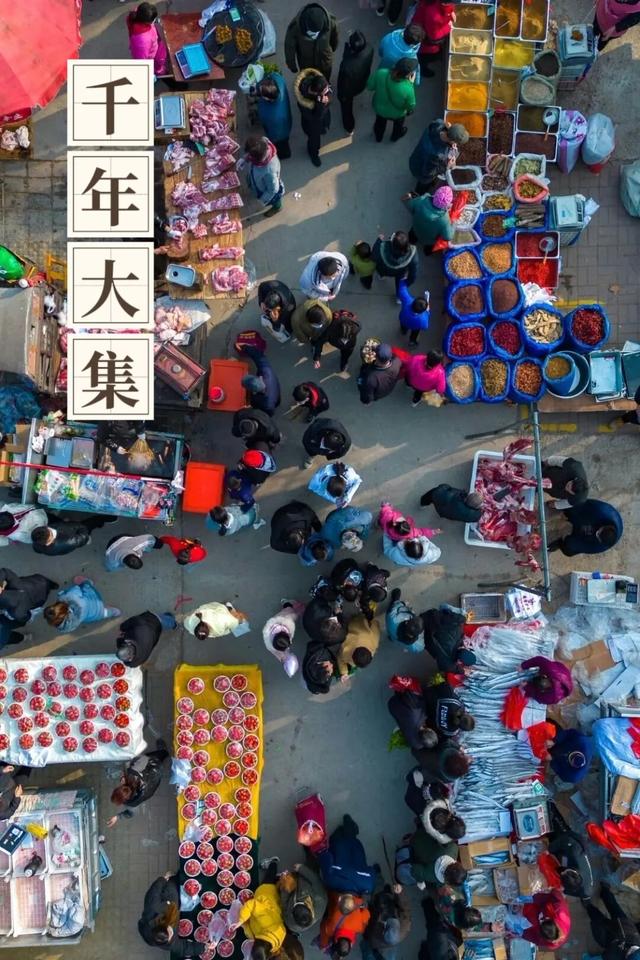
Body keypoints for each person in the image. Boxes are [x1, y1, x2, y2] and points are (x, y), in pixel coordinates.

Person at [138, 872, 209, 956]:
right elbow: (183, 948)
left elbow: (154, 892)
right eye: (171, 935)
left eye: (170, 931)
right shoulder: (166, 941)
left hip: (170, 893)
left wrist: (163, 879)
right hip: (175, 905)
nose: (172, 933)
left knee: (180, 878)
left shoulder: (152, 908)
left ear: (162, 924)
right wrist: (203, 948)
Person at [107, 741, 170, 827]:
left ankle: (163, 756)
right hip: (154, 766)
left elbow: (130, 814)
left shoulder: (132, 803)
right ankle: (164, 752)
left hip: (156, 779)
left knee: (158, 766)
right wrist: (127, 769)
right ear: (121, 786)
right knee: (156, 756)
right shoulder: (132, 773)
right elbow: (144, 759)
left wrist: (117, 817)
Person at [235, 861, 287, 958]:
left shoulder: (273, 946)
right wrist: (241, 919)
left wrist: (244, 925)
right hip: (266, 893)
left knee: (275, 883)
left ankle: (277, 878)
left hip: (268, 908)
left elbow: (252, 933)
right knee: (268, 878)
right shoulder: (266, 921)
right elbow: (253, 904)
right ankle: (273, 863)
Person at [318, 814, 376, 895]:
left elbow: (371, 870)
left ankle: (349, 827)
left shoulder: (368, 885)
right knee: (339, 840)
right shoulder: (331, 881)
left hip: (353, 845)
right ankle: (347, 828)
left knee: (346, 840)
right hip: (344, 845)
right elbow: (326, 857)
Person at [547, 802, 594, 898]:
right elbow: (565, 839)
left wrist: (563, 890)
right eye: (564, 872)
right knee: (553, 821)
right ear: (572, 870)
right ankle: (548, 803)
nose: (562, 872)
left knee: (552, 843)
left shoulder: (584, 891)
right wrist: (549, 850)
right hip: (570, 839)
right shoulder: (576, 854)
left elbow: (568, 890)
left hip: (566, 854)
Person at [583, 883, 640, 960]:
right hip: (626, 933)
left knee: (602, 916)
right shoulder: (613, 956)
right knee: (612, 910)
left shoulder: (612, 956)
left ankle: (592, 902)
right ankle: (601, 894)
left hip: (615, 936)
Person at [409, 119, 467, 194]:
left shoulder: (438, 124)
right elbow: (428, 173)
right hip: (421, 171)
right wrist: (447, 165)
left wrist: (449, 132)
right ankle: (417, 194)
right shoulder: (437, 154)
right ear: (452, 140)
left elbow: (441, 124)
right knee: (423, 184)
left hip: (416, 157)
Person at [547, 499, 623, 556]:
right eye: (598, 533)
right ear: (605, 527)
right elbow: (580, 502)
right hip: (587, 516)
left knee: (569, 550)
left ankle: (560, 543)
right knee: (573, 509)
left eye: (598, 536)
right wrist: (559, 505)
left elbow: (586, 547)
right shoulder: (601, 510)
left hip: (587, 534)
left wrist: (569, 543)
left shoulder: (602, 545)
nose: (596, 534)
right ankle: (566, 512)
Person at [367, 58, 417, 143]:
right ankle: (395, 137)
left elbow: (369, 86)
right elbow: (410, 106)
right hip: (397, 114)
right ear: (408, 75)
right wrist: (411, 84)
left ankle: (378, 137)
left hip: (379, 109)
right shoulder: (408, 88)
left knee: (379, 124)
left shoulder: (381, 73)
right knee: (398, 126)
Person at [44, 576, 120, 632]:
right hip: (95, 601)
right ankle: (88, 581)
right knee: (86, 586)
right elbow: (76, 589)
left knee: (104, 613)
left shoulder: (65, 627)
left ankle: (114, 612)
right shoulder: (70, 598)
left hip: (94, 615)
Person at [285, 3, 339, 81]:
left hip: (324, 59)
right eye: (312, 33)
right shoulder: (295, 27)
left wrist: (333, 48)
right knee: (308, 79)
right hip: (306, 62)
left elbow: (335, 36)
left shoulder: (330, 21)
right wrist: (292, 65)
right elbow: (289, 47)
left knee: (325, 77)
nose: (315, 35)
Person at [402, 823, 466, 886]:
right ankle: (409, 841)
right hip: (416, 848)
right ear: (448, 881)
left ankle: (414, 834)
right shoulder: (431, 876)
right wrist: (420, 881)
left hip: (425, 832)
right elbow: (415, 869)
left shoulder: (454, 848)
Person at [238, 135, 284, 218]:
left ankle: (278, 207)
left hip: (269, 189)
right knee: (254, 184)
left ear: (258, 159)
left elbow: (273, 190)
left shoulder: (270, 172)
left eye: (251, 157)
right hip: (258, 177)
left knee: (275, 199)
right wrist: (245, 159)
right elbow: (251, 153)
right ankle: (254, 187)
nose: (249, 157)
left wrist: (261, 202)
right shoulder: (262, 142)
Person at [337, 31, 374, 133]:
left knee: (346, 108)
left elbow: (343, 84)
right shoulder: (369, 48)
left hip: (349, 89)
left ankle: (349, 126)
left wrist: (341, 95)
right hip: (362, 81)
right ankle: (350, 127)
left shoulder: (347, 66)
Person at [294, 69, 332, 167]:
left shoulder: (317, 84)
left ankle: (324, 128)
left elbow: (329, 92)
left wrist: (325, 99)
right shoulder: (304, 102)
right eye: (325, 91)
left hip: (323, 118)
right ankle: (313, 154)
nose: (328, 90)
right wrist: (321, 104)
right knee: (314, 140)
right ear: (316, 93)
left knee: (322, 128)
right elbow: (315, 118)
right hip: (312, 125)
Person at [422, 605, 475, 673]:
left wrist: (464, 618)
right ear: (459, 661)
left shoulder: (458, 630)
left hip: (430, 617)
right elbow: (448, 668)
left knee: (447, 608)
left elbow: (454, 618)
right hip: (426, 636)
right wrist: (463, 671)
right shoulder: (448, 661)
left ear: (465, 648)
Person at [364, 883, 411, 959]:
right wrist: (400, 894)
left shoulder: (374, 936)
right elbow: (405, 909)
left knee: (377, 885)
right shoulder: (404, 927)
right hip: (390, 902)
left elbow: (368, 923)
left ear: (384, 930)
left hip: (378, 905)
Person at [278, 861, 327, 934]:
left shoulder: (290, 923)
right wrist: (302, 869)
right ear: (309, 908)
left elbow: (284, 904)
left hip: (295, 886)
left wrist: (285, 889)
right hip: (304, 880)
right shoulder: (321, 900)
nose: (297, 901)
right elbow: (315, 880)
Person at [411, 0, 457, 77]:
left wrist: (450, 11)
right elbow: (434, 36)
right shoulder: (434, 15)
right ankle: (422, 69)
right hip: (424, 38)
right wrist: (449, 26)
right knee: (426, 56)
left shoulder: (435, 5)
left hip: (424, 24)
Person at [319, 891, 371, 958]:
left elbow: (366, 912)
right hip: (339, 892)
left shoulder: (360, 928)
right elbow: (323, 924)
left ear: (351, 944)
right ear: (336, 941)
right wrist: (324, 944)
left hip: (357, 894)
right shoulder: (330, 929)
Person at [403, 186, 454, 254]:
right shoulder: (444, 219)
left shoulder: (422, 199)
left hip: (416, 228)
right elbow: (448, 237)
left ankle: (411, 241)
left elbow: (410, 206)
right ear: (447, 205)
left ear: (436, 194)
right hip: (429, 240)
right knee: (429, 248)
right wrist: (453, 223)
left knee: (412, 236)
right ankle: (427, 252)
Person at [256, 73, 293, 161]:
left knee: (282, 145)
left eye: (261, 94)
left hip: (280, 134)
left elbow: (276, 135)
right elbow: (272, 75)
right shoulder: (278, 80)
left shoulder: (276, 117)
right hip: (285, 122)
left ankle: (284, 155)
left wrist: (272, 139)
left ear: (268, 98)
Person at [263, 601, 304, 677]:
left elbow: (274, 652)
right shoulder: (289, 623)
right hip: (284, 616)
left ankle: (287, 603)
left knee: (288, 609)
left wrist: (282, 658)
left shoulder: (268, 640)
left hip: (284, 615)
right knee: (290, 611)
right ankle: (288, 604)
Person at [372, 232, 418, 300]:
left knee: (381, 271)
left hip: (384, 269)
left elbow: (374, 256)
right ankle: (399, 297)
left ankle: (381, 276)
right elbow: (413, 275)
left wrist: (378, 240)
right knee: (399, 284)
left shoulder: (382, 248)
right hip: (400, 272)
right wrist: (407, 282)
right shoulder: (412, 255)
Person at [126, 2, 168, 76]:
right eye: (153, 19)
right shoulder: (142, 41)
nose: (154, 21)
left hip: (154, 44)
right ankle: (159, 71)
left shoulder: (139, 13)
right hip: (151, 54)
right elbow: (141, 60)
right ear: (146, 21)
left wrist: (155, 21)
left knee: (160, 58)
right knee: (158, 64)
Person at [240, 345, 282, 416]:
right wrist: (245, 347)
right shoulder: (266, 371)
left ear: (254, 392)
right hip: (276, 389)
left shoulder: (266, 403)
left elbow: (269, 413)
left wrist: (248, 409)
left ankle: (277, 403)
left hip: (274, 400)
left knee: (275, 403)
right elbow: (258, 356)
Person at [336, 614, 380, 680]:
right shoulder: (345, 651)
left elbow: (375, 623)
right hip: (353, 623)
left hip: (357, 621)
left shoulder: (374, 641)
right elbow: (339, 658)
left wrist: (344, 672)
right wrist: (344, 673)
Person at [257, 280, 296, 344]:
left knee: (285, 328)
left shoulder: (288, 309)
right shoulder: (269, 285)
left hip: (288, 312)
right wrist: (261, 301)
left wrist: (275, 320)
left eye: (270, 309)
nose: (266, 310)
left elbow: (278, 327)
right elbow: (261, 287)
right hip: (281, 292)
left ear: (278, 307)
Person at [386, 588, 425, 652]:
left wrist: (402, 603)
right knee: (395, 638)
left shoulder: (393, 619)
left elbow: (394, 608)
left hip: (392, 629)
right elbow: (421, 646)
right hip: (400, 641)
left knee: (393, 606)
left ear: (406, 622)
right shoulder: (418, 647)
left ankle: (395, 599)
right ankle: (392, 638)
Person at [397, 281, 430, 348]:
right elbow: (425, 326)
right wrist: (428, 312)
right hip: (415, 327)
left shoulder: (408, 301)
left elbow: (402, 290)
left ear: (414, 301)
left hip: (403, 320)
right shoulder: (423, 319)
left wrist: (403, 280)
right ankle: (412, 341)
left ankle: (403, 331)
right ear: (422, 311)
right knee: (415, 334)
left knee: (403, 327)